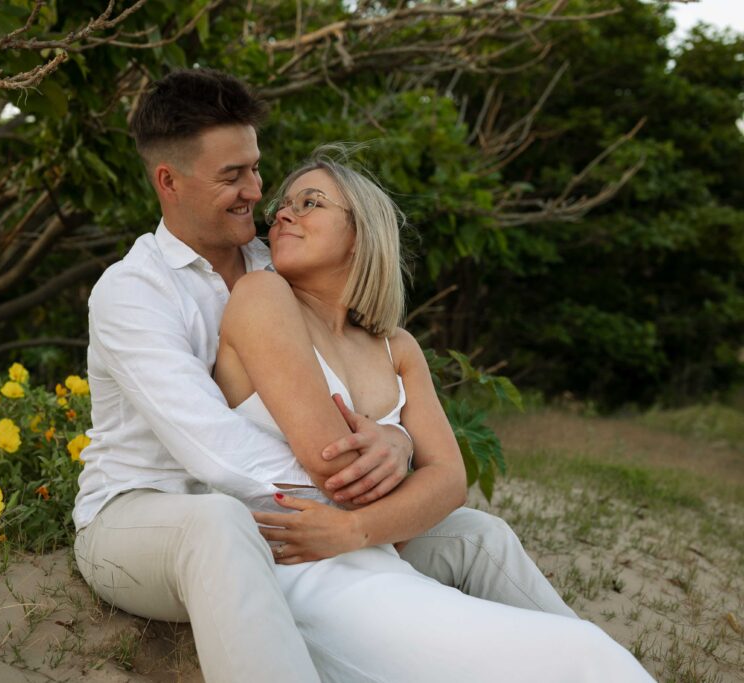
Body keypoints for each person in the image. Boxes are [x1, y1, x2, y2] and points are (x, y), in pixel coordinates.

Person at [72, 68, 618, 681]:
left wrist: (398, 443)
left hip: (280, 515)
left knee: (474, 535)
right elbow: (216, 452)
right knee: (222, 525)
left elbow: (368, 387)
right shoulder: (133, 291)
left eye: (255, 168)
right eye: (232, 175)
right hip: (145, 516)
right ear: (168, 180)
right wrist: (372, 511)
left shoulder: (275, 258)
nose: (259, 192)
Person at [210, 148, 656, 681]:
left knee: (563, 630)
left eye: (311, 202)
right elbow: (334, 465)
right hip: (304, 561)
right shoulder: (262, 295)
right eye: (284, 204)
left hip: (362, 547)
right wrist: (405, 459)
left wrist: (372, 505)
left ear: (363, 231)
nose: (283, 212)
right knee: (582, 656)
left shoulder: (395, 346)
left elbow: (451, 482)